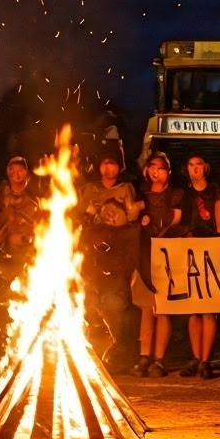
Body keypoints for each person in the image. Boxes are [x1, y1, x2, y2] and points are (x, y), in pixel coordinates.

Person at [78, 142, 143, 373]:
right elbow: (79, 219)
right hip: (92, 257)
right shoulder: (89, 190)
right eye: (105, 164)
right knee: (90, 306)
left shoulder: (126, 189)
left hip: (118, 257)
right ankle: (91, 353)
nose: (109, 170)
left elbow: (132, 221)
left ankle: (121, 354)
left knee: (116, 305)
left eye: (113, 164)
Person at [131, 152, 185, 378]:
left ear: (168, 172)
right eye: (152, 167)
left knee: (163, 309)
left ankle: (159, 359)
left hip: (168, 257)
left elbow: (177, 219)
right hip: (143, 256)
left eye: (161, 168)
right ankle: (144, 356)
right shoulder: (140, 195)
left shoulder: (176, 194)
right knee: (146, 308)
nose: (156, 171)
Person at [0, 155, 40, 365]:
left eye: (21, 170)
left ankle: (16, 349)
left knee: (18, 303)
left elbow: (38, 230)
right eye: (12, 170)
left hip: (22, 259)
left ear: (27, 174)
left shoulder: (33, 201)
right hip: (0, 255)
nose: (16, 174)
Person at [179, 152, 220, 379]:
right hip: (190, 252)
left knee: (209, 308)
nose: (195, 168)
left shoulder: (215, 191)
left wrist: (215, 250)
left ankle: (206, 360)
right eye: (191, 164)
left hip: (211, 252)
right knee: (193, 310)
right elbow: (181, 222)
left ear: (206, 167)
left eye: (199, 164)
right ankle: (196, 357)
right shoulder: (185, 193)